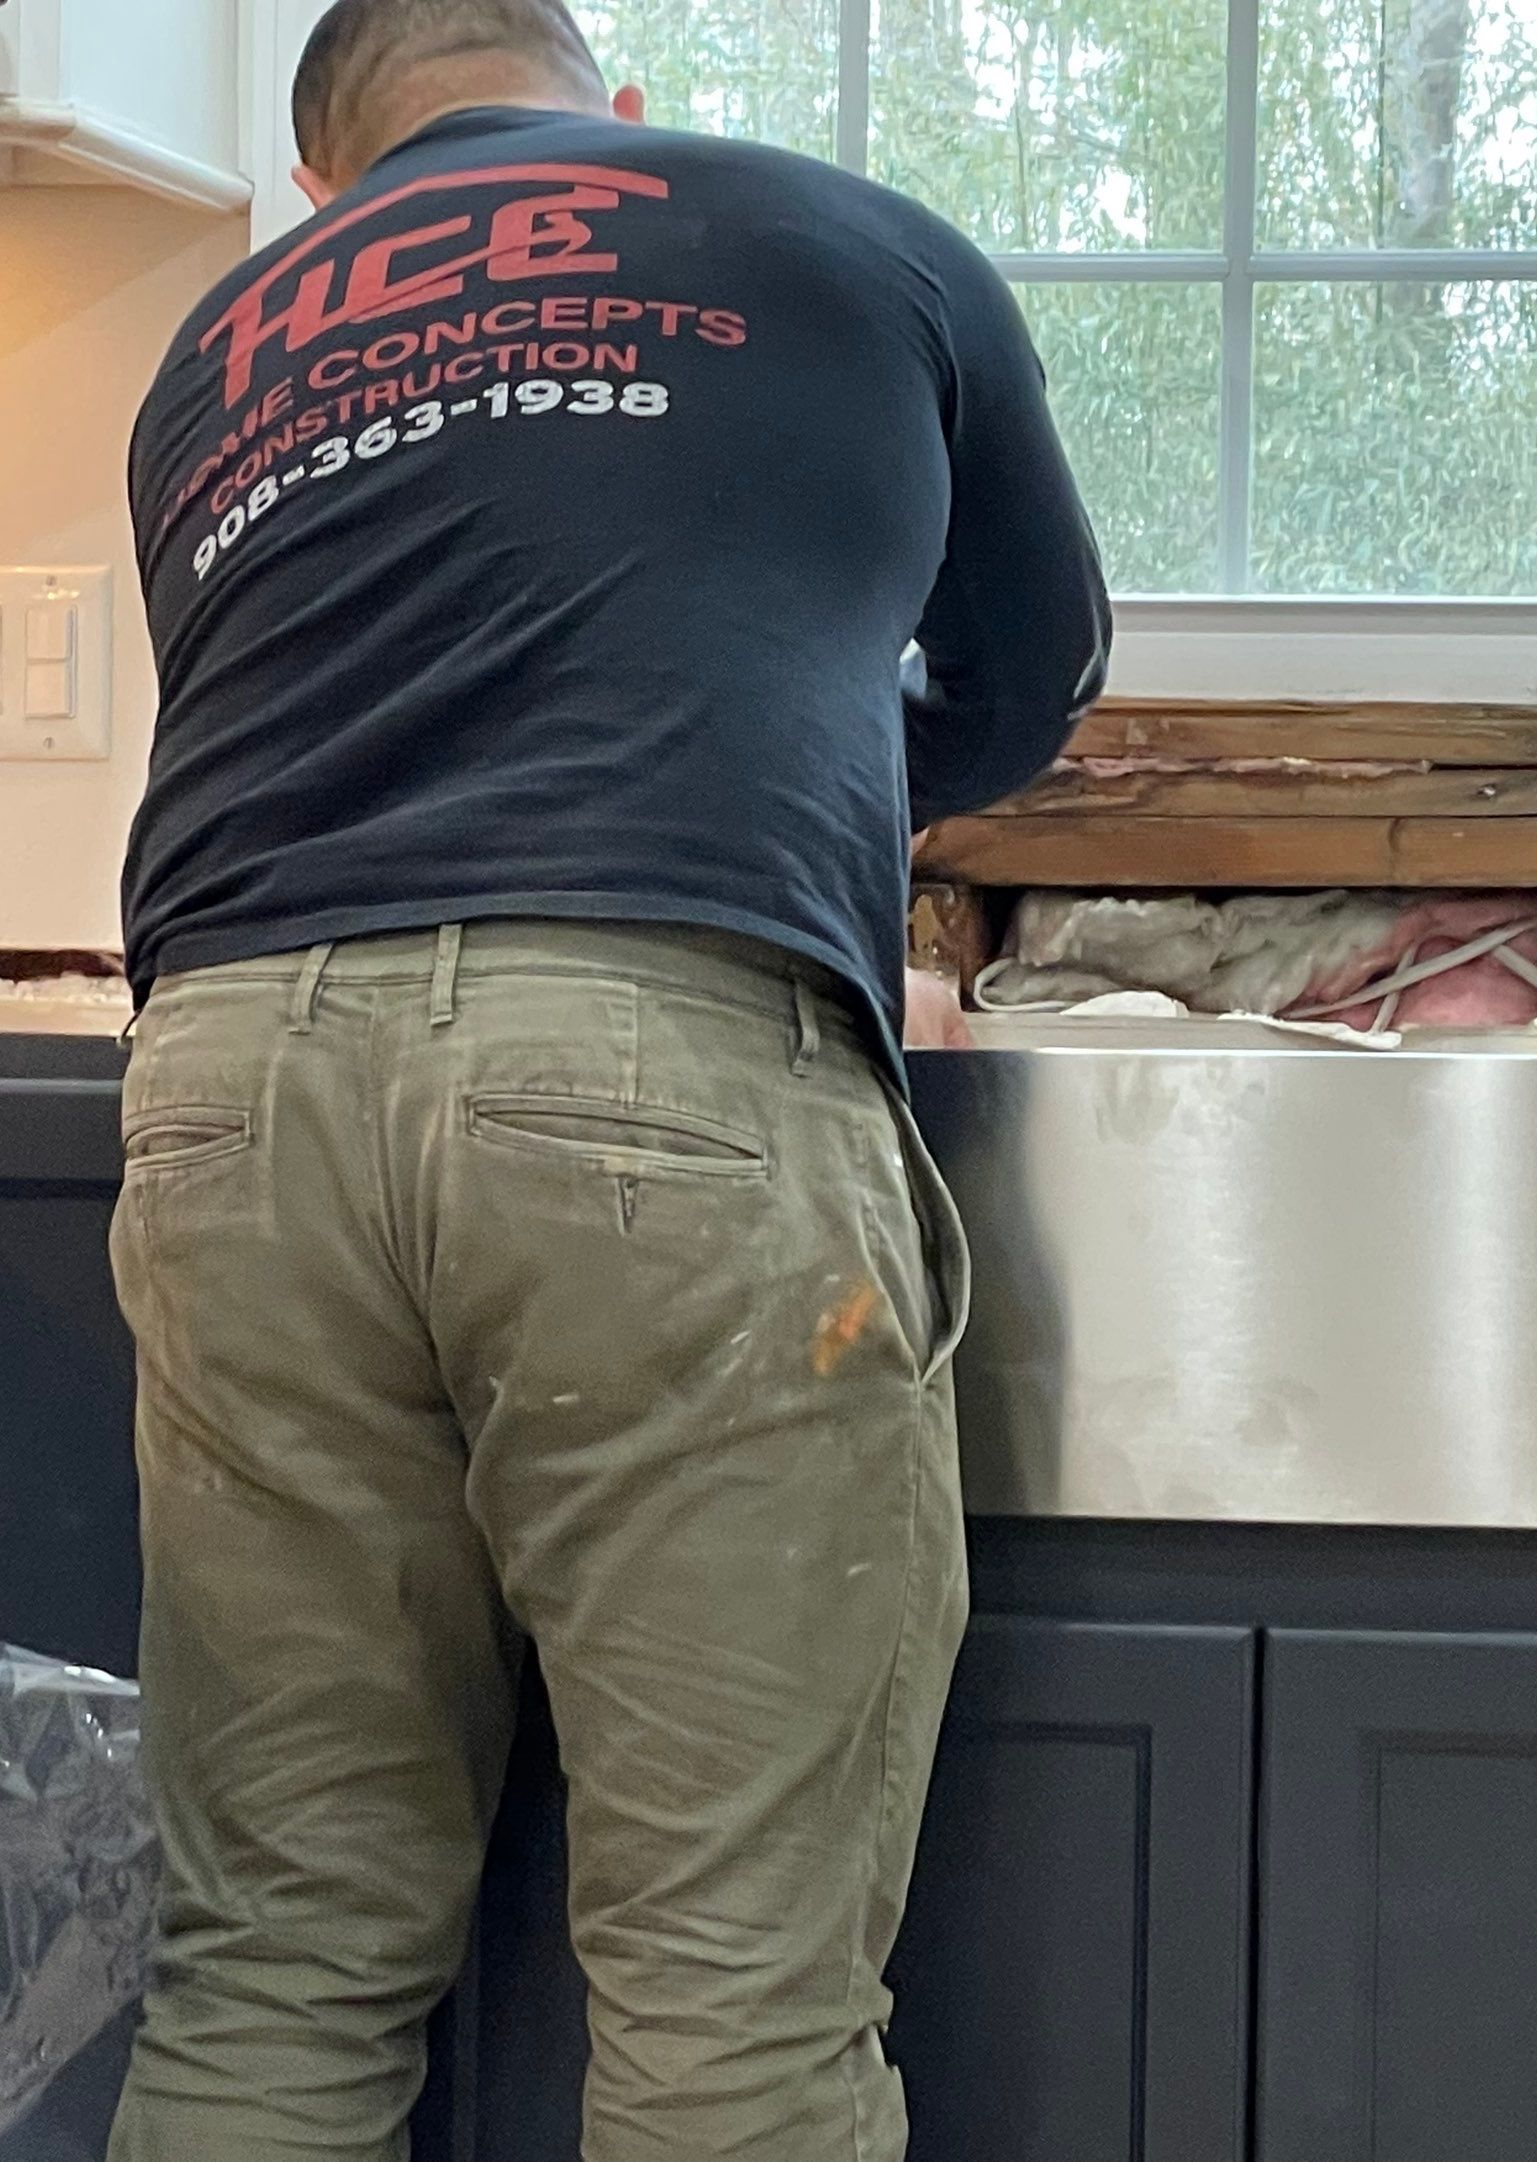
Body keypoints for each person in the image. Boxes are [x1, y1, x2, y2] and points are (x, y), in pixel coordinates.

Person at [109, 0, 1108, 2153]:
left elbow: (322, 707)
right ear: (621, 109)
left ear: (324, 187)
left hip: (223, 1092)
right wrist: (800, 778)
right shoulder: (854, 238)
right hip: (655, 1066)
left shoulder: (223, 348)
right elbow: (1032, 678)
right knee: (729, 2002)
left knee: (274, 1963)